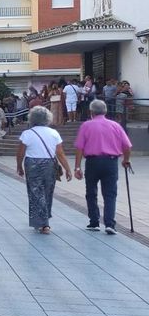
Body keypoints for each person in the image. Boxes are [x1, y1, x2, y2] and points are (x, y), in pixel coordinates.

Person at [74, 99, 133, 234]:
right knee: (110, 193)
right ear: (105, 111)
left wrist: (77, 167)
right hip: (110, 162)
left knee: (91, 192)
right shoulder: (115, 125)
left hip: (92, 162)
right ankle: (109, 224)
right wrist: (126, 160)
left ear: (91, 112)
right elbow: (127, 146)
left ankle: (94, 221)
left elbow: (79, 148)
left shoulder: (86, 125)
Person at [17, 106, 72, 234]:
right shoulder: (54, 133)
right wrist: (68, 169)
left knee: (35, 192)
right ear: (48, 118)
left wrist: (19, 166)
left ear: (32, 118)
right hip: (49, 164)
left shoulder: (27, 133)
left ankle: (42, 223)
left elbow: (20, 153)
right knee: (48, 192)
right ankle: (44, 221)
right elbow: (60, 153)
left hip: (32, 164)